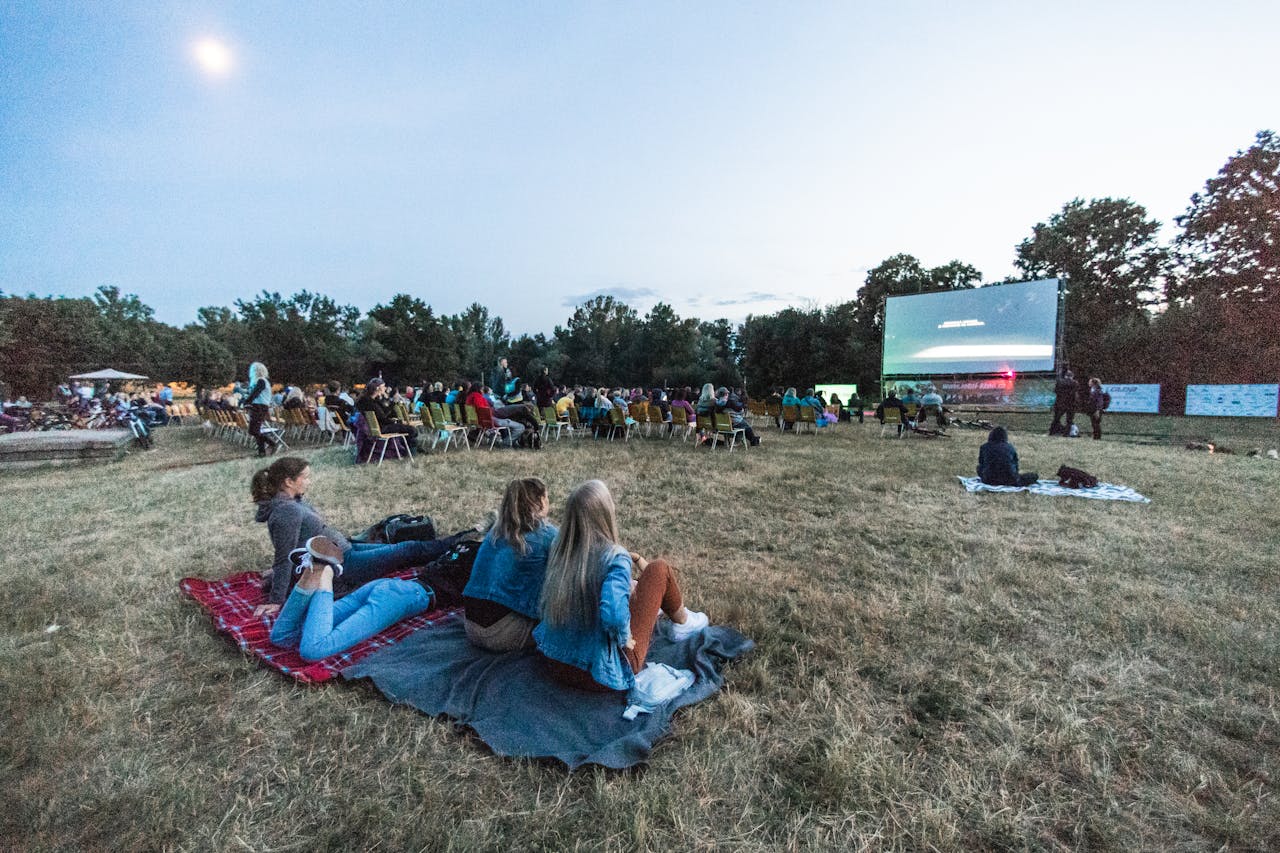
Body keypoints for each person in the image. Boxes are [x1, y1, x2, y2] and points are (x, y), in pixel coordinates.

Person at [534, 480, 709, 692]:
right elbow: (614, 615)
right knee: (659, 569)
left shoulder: (560, 550)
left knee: (634, 590)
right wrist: (623, 636)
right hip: (598, 673)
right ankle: (683, 623)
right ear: (606, 513)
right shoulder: (614, 558)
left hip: (554, 661)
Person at [251, 457, 467, 617]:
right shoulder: (286, 511)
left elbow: (293, 547)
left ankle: (460, 541)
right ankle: (464, 540)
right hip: (344, 564)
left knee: (404, 547)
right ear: (289, 482)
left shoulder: (292, 502)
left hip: (346, 549)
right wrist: (276, 600)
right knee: (408, 549)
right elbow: (284, 554)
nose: (309, 481)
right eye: (305, 478)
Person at [268, 546, 437, 661]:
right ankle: (327, 571)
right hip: (405, 596)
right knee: (313, 650)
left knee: (281, 637)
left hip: (388, 586)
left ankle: (314, 569)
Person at [462, 478, 558, 652]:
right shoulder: (548, 535)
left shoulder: (495, 531)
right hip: (501, 632)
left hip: (469, 625)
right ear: (542, 500)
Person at [357, 378, 418, 445]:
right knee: (412, 430)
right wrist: (397, 421)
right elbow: (383, 419)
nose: (385, 388)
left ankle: (406, 448)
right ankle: (408, 450)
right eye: (383, 386)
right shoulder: (371, 404)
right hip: (382, 428)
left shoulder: (370, 401)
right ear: (377, 388)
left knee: (407, 428)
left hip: (377, 428)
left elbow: (386, 413)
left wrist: (391, 402)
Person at [244, 361, 274, 457]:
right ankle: (261, 452)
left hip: (260, 406)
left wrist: (247, 401)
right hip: (257, 406)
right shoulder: (259, 381)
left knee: (253, 431)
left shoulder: (261, 381)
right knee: (256, 430)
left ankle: (271, 443)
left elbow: (256, 393)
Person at [1050, 369, 1078, 436]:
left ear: (1065, 376)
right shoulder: (1075, 383)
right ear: (1072, 376)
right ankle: (1066, 433)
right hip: (1071, 404)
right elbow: (1075, 394)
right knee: (1069, 420)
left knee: (1056, 418)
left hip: (1060, 403)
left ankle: (1052, 432)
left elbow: (1056, 391)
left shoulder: (1059, 382)